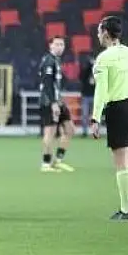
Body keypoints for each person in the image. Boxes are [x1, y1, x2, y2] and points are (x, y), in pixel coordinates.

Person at [89, 16, 128, 220]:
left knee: (121, 162)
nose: (98, 35)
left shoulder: (104, 59)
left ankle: (125, 209)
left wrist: (95, 118)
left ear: (106, 33)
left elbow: (102, 90)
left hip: (118, 109)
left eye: (99, 31)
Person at [38, 36, 74, 172]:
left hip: (58, 101)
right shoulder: (48, 61)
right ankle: (46, 163)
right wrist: (53, 103)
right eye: (57, 44)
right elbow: (47, 84)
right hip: (49, 102)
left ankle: (58, 160)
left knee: (70, 129)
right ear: (50, 46)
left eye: (62, 45)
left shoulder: (56, 61)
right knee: (50, 132)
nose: (60, 47)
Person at [79, 54, 95, 137]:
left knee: (95, 116)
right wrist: (89, 66)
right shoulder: (85, 70)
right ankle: (84, 132)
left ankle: (95, 132)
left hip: (95, 96)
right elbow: (81, 77)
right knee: (85, 115)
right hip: (85, 96)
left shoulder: (98, 71)